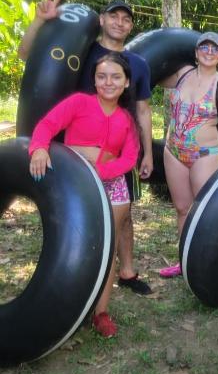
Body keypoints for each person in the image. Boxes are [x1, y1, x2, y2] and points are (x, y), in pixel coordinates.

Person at [19, 0, 154, 295]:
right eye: (114, 16)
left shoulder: (138, 64)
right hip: (76, 150)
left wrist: (147, 153)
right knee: (74, 211)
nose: (120, 22)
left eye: (126, 19)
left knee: (124, 213)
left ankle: (128, 271)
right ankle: (71, 271)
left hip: (121, 146)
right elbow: (29, 55)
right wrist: (40, 21)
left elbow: (144, 109)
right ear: (102, 19)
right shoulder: (81, 50)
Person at [28, 53, 141, 337]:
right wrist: (39, 148)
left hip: (113, 187)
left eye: (116, 77)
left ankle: (101, 312)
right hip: (75, 186)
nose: (108, 82)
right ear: (94, 79)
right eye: (101, 76)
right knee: (70, 246)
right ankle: (64, 305)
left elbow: (130, 158)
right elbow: (46, 126)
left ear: (126, 82)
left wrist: (99, 172)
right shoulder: (79, 103)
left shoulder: (127, 118)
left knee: (107, 249)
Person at [158, 32, 218, 277]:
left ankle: (205, 265)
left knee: (204, 210)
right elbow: (151, 74)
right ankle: (183, 262)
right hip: (173, 151)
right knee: (182, 208)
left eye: (214, 49)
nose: (208, 51)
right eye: (204, 47)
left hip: (203, 155)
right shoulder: (181, 74)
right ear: (195, 53)